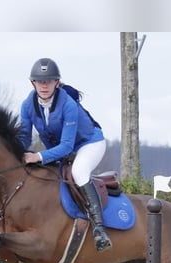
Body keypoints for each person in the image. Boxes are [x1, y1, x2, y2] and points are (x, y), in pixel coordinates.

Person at [18, 57, 112, 252]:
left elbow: (67, 146)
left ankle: (100, 230)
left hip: (89, 143)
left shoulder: (68, 105)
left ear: (57, 83)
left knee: (79, 172)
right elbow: (24, 138)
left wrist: (38, 157)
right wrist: (15, 152)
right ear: (32, 83)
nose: (44, 85)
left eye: (49, 81)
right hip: (61, 149)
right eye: (40, 81)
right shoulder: (27, 105)